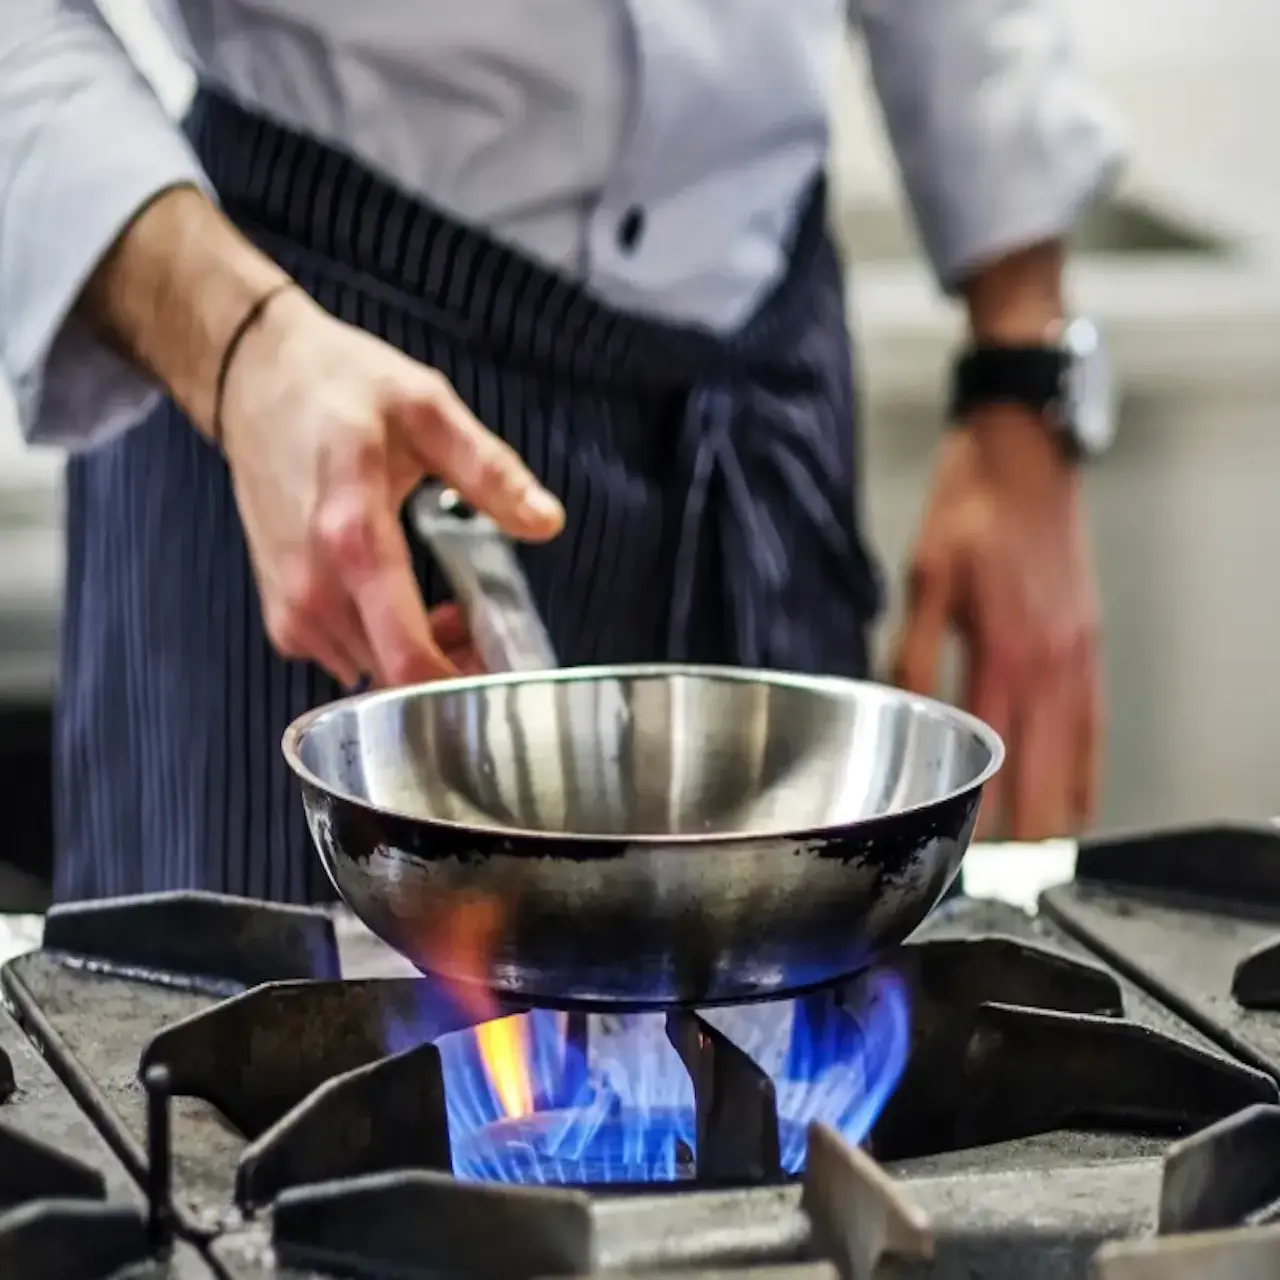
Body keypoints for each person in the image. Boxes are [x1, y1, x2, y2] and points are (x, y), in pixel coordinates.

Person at [0, 2, 1125, 904]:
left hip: (755, 394)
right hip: (305, 375)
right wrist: (239, 344)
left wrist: (1020, 366)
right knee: (243, 1092)